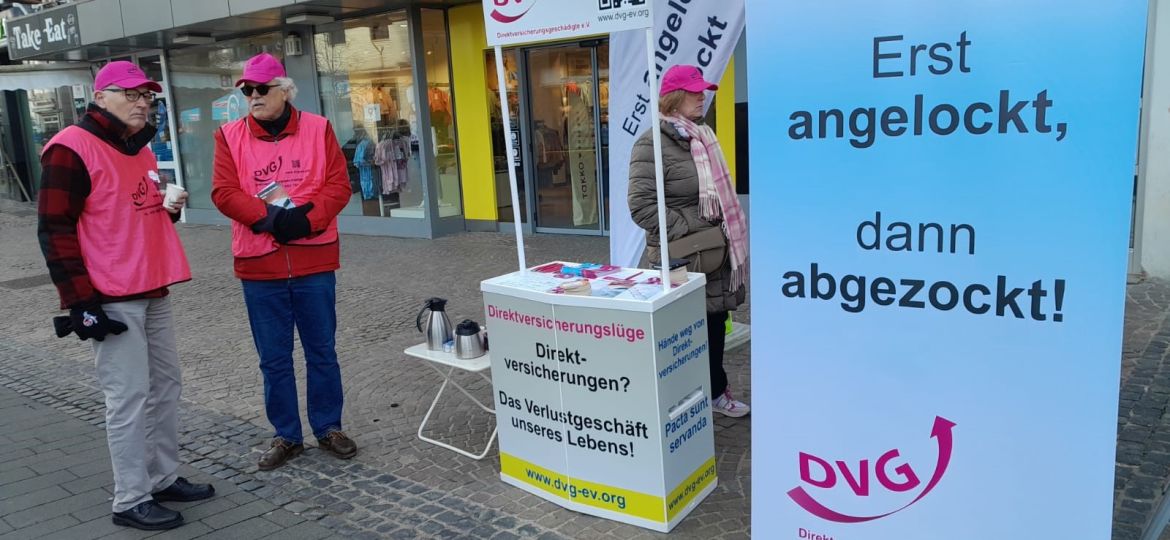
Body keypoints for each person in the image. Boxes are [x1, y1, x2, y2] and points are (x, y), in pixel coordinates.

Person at [37, 61, 214, 531]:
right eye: (132, 94)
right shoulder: (70, 148)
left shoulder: (141, 147)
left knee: (165, 387)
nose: (142, 103)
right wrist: (80, 303)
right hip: (110, 294)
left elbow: (133, 212)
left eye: (147, 96)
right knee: (129, 397)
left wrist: (169, 210)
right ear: (100, 97)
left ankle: (162, 476)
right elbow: (55, 229)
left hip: (151, 285)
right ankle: (130, 498)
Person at [211, 53, 357, 470]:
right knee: (273, 357)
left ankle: (328, 426)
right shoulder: (229, 135)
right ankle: (287, 435)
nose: (253, 96)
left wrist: (304, 219)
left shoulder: (319, 127)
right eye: (246, 90)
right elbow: (223, 192)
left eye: (261, 89)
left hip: (313, 259)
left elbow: (338, 185)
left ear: (285, 90)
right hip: (259, 264)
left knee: (322, 351)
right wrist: (272, 219)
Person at [628, 64, 751, 418]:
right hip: (685, 256)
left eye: (703, 91)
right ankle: (679, 400)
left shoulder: (703, 137)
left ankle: (714, 391)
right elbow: (641, 205)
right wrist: (691, 229)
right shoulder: (651, 144)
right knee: (681, 332)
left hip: (714, 254)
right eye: (695, 92)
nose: (702, 97)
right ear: (675, 98)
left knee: (713, 326)